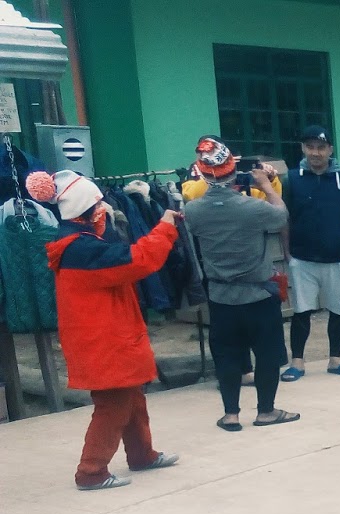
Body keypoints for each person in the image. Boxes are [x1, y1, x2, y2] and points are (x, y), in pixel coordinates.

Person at [36, 170, 181, 489]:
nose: (104, 208)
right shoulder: (83, 249)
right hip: (104, 339)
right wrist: (165, 227)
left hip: (102, 335)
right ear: (87, 209)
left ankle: (141, 454)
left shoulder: (79, 241)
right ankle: (91, 471)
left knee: (131, 396)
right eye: (99, 204)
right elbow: (140, 260)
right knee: (114, 404)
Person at [183, 137, 300, 431]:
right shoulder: (253, 208)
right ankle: (266, 411)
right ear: (233, 170)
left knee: (227, 357)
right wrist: (267, 186)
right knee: (267, 355)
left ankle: (231, 414)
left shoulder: (194, 211)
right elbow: (281, 216)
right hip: (258, 294)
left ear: (201, 173)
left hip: (221, 296)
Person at [280, 125, 340, 380]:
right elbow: (284, 217)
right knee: (301, 312)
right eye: (310, 147)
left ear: (330, 149)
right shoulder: (292, 179)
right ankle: (297, 363)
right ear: (302, 149)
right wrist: (287, 251)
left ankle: (335, 360)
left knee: (339, 311)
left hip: (337, 258)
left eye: (320, 147)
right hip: (302, 258)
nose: (315, 153)